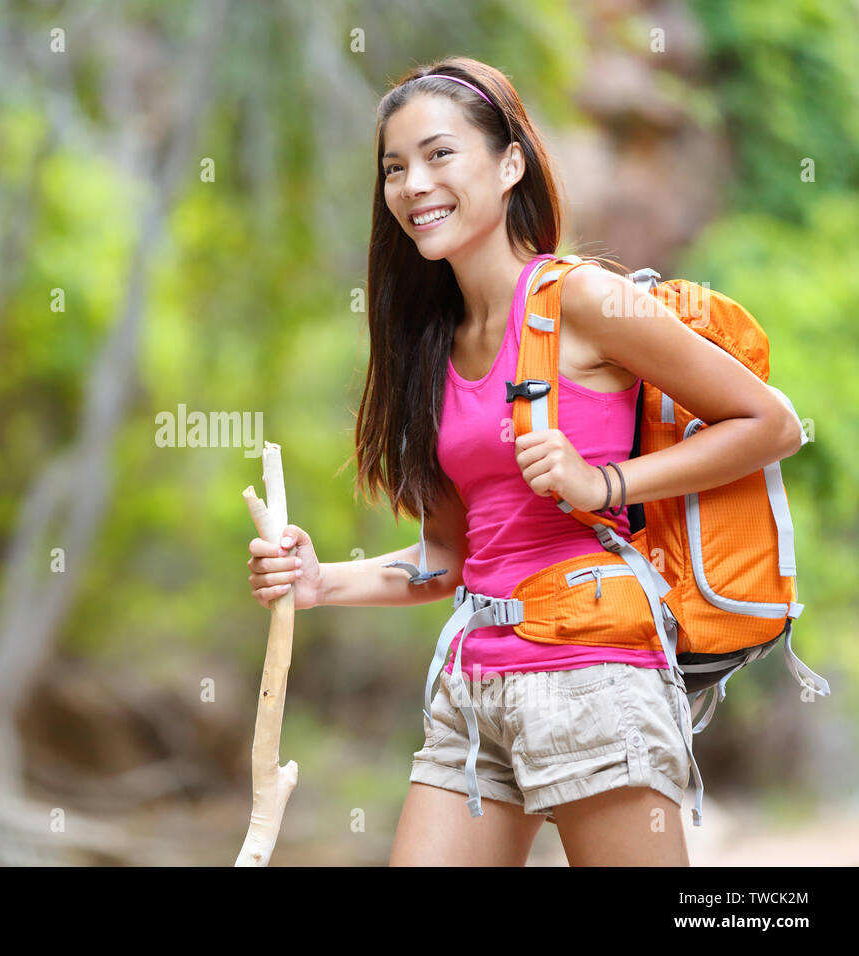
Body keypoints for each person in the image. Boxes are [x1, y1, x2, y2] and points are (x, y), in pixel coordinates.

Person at [245, 57, 802, 866]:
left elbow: (770, 421)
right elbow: (450, 562)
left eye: (439, 155)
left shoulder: (579, 298)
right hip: (475, 690)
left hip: (595, 675)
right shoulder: (428, 348)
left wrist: (601, 483)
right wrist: (320, 581)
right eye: (394, 168)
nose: (412, 185)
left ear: (510, 164)